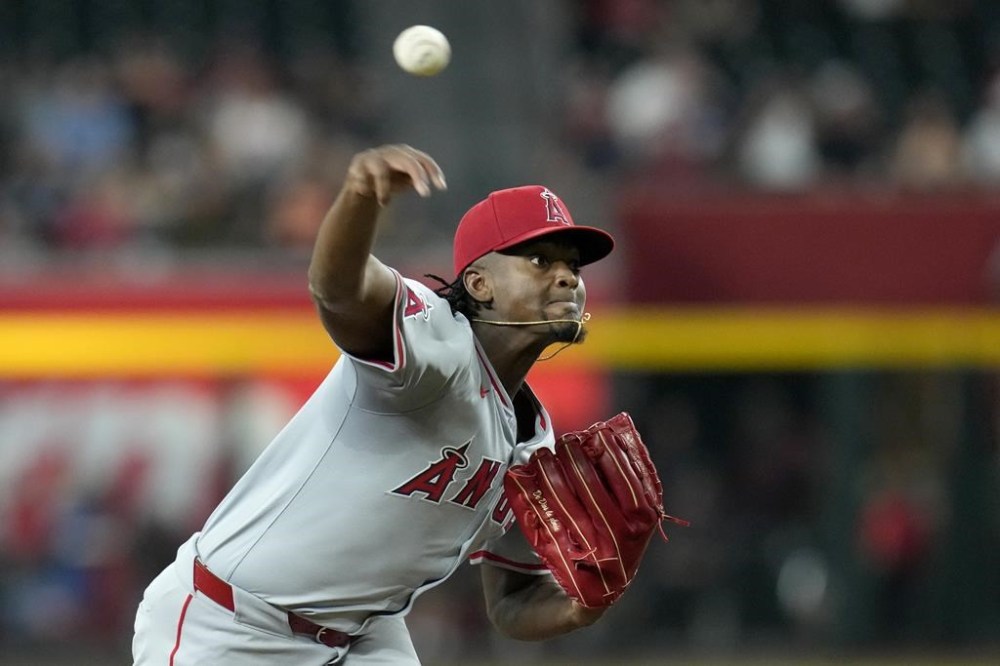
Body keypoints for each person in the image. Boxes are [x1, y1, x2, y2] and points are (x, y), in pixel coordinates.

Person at [131, 144, 616, 665]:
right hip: (231, 624)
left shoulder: (530, 440)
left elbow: (509, 603)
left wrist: (582, 604)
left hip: (365, 638)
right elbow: (337, 291)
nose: (567, 277)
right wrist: (360, 197)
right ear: (479, 283)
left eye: (573, 265)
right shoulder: (437, 344)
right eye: (541, 260)